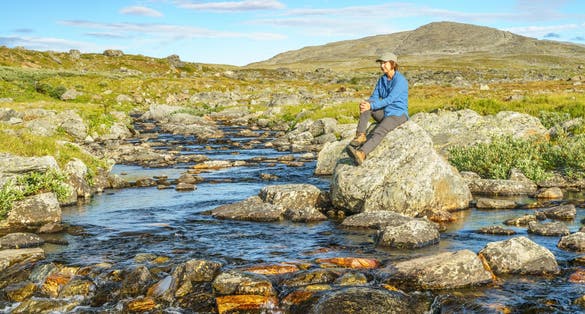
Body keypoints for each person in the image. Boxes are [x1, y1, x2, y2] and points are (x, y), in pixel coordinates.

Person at [346, 52, 409, 165]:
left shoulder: (400, 80)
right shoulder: (382, 79)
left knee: (379, 130)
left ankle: (362, 153)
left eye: (385, 63)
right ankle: (361, 135)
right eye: (381, 63)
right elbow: (374, 97)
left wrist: (372, 106)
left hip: (397, 114)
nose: (382, 65)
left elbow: (390, 99)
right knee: (367, 103)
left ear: (393, 64)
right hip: (385, 112)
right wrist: (367, 105)